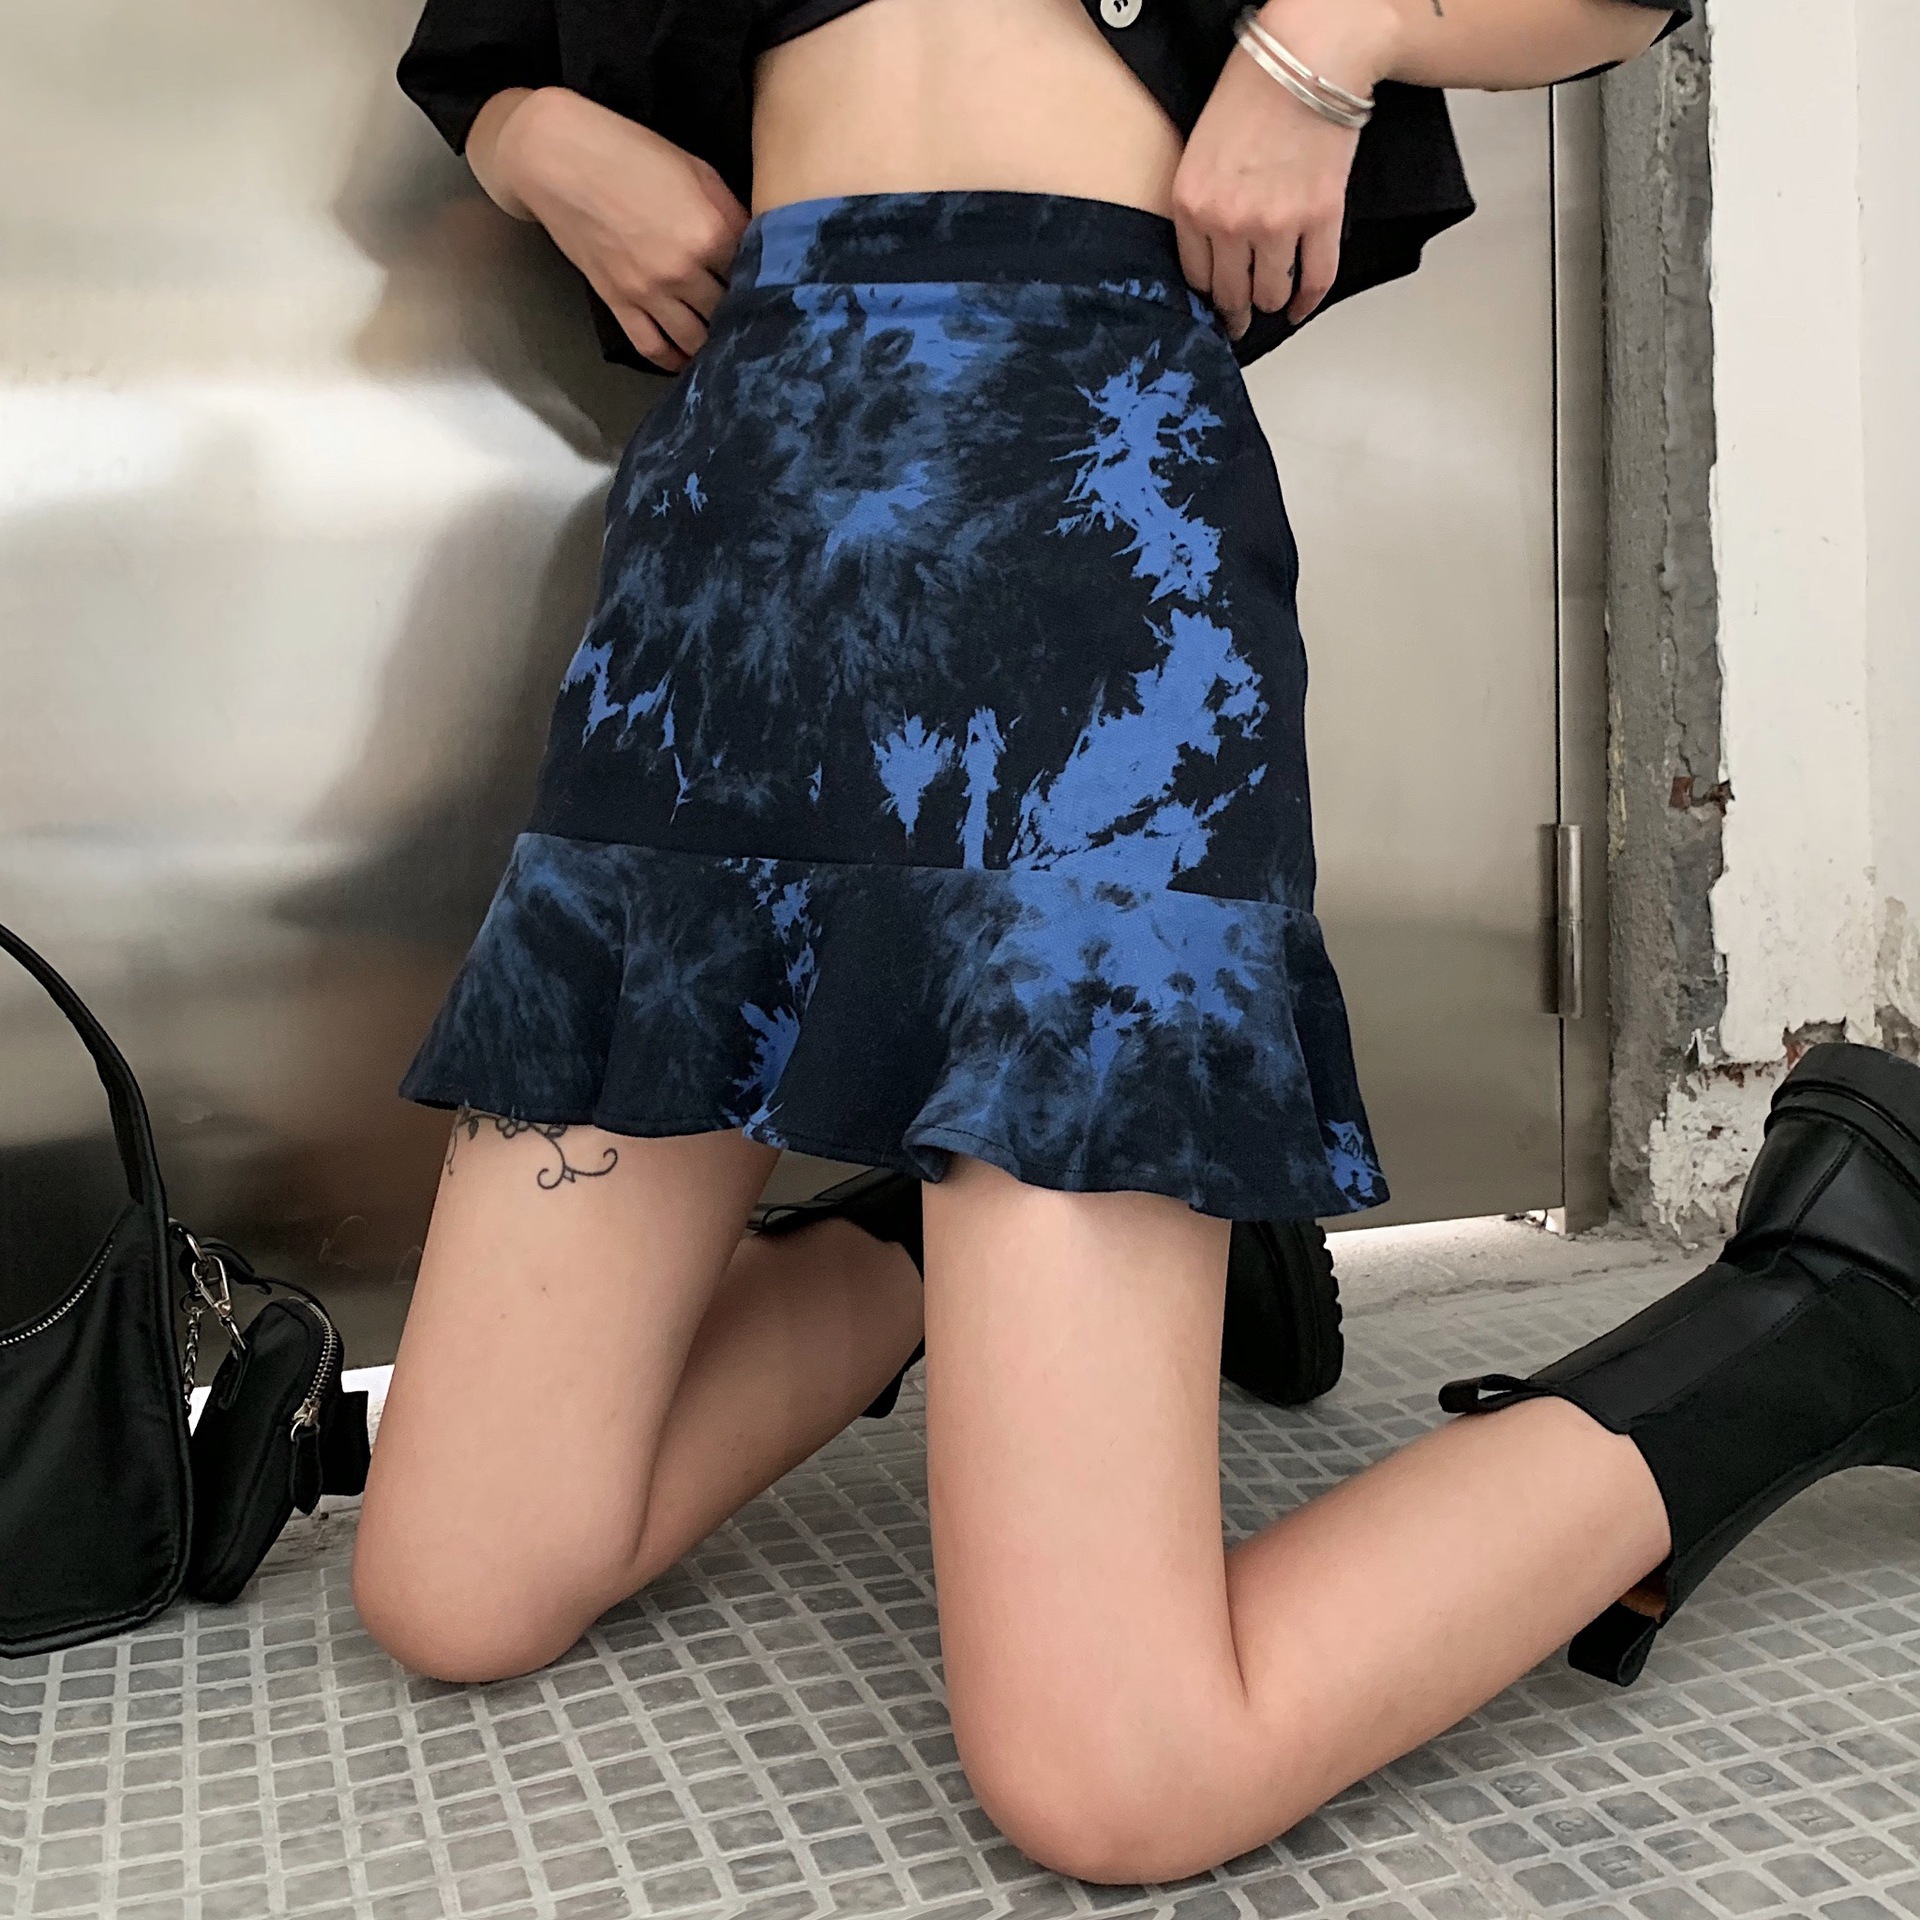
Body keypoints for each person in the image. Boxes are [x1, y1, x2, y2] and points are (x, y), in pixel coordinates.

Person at [351, 0, 1920, 1883]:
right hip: (729, 554)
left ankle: (1837, 1299)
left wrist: (1329, 43)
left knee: (1120, 1777)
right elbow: (487, 44)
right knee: (457, 1588)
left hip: (1088, 539)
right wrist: (532, 137)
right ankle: (952, 1241)